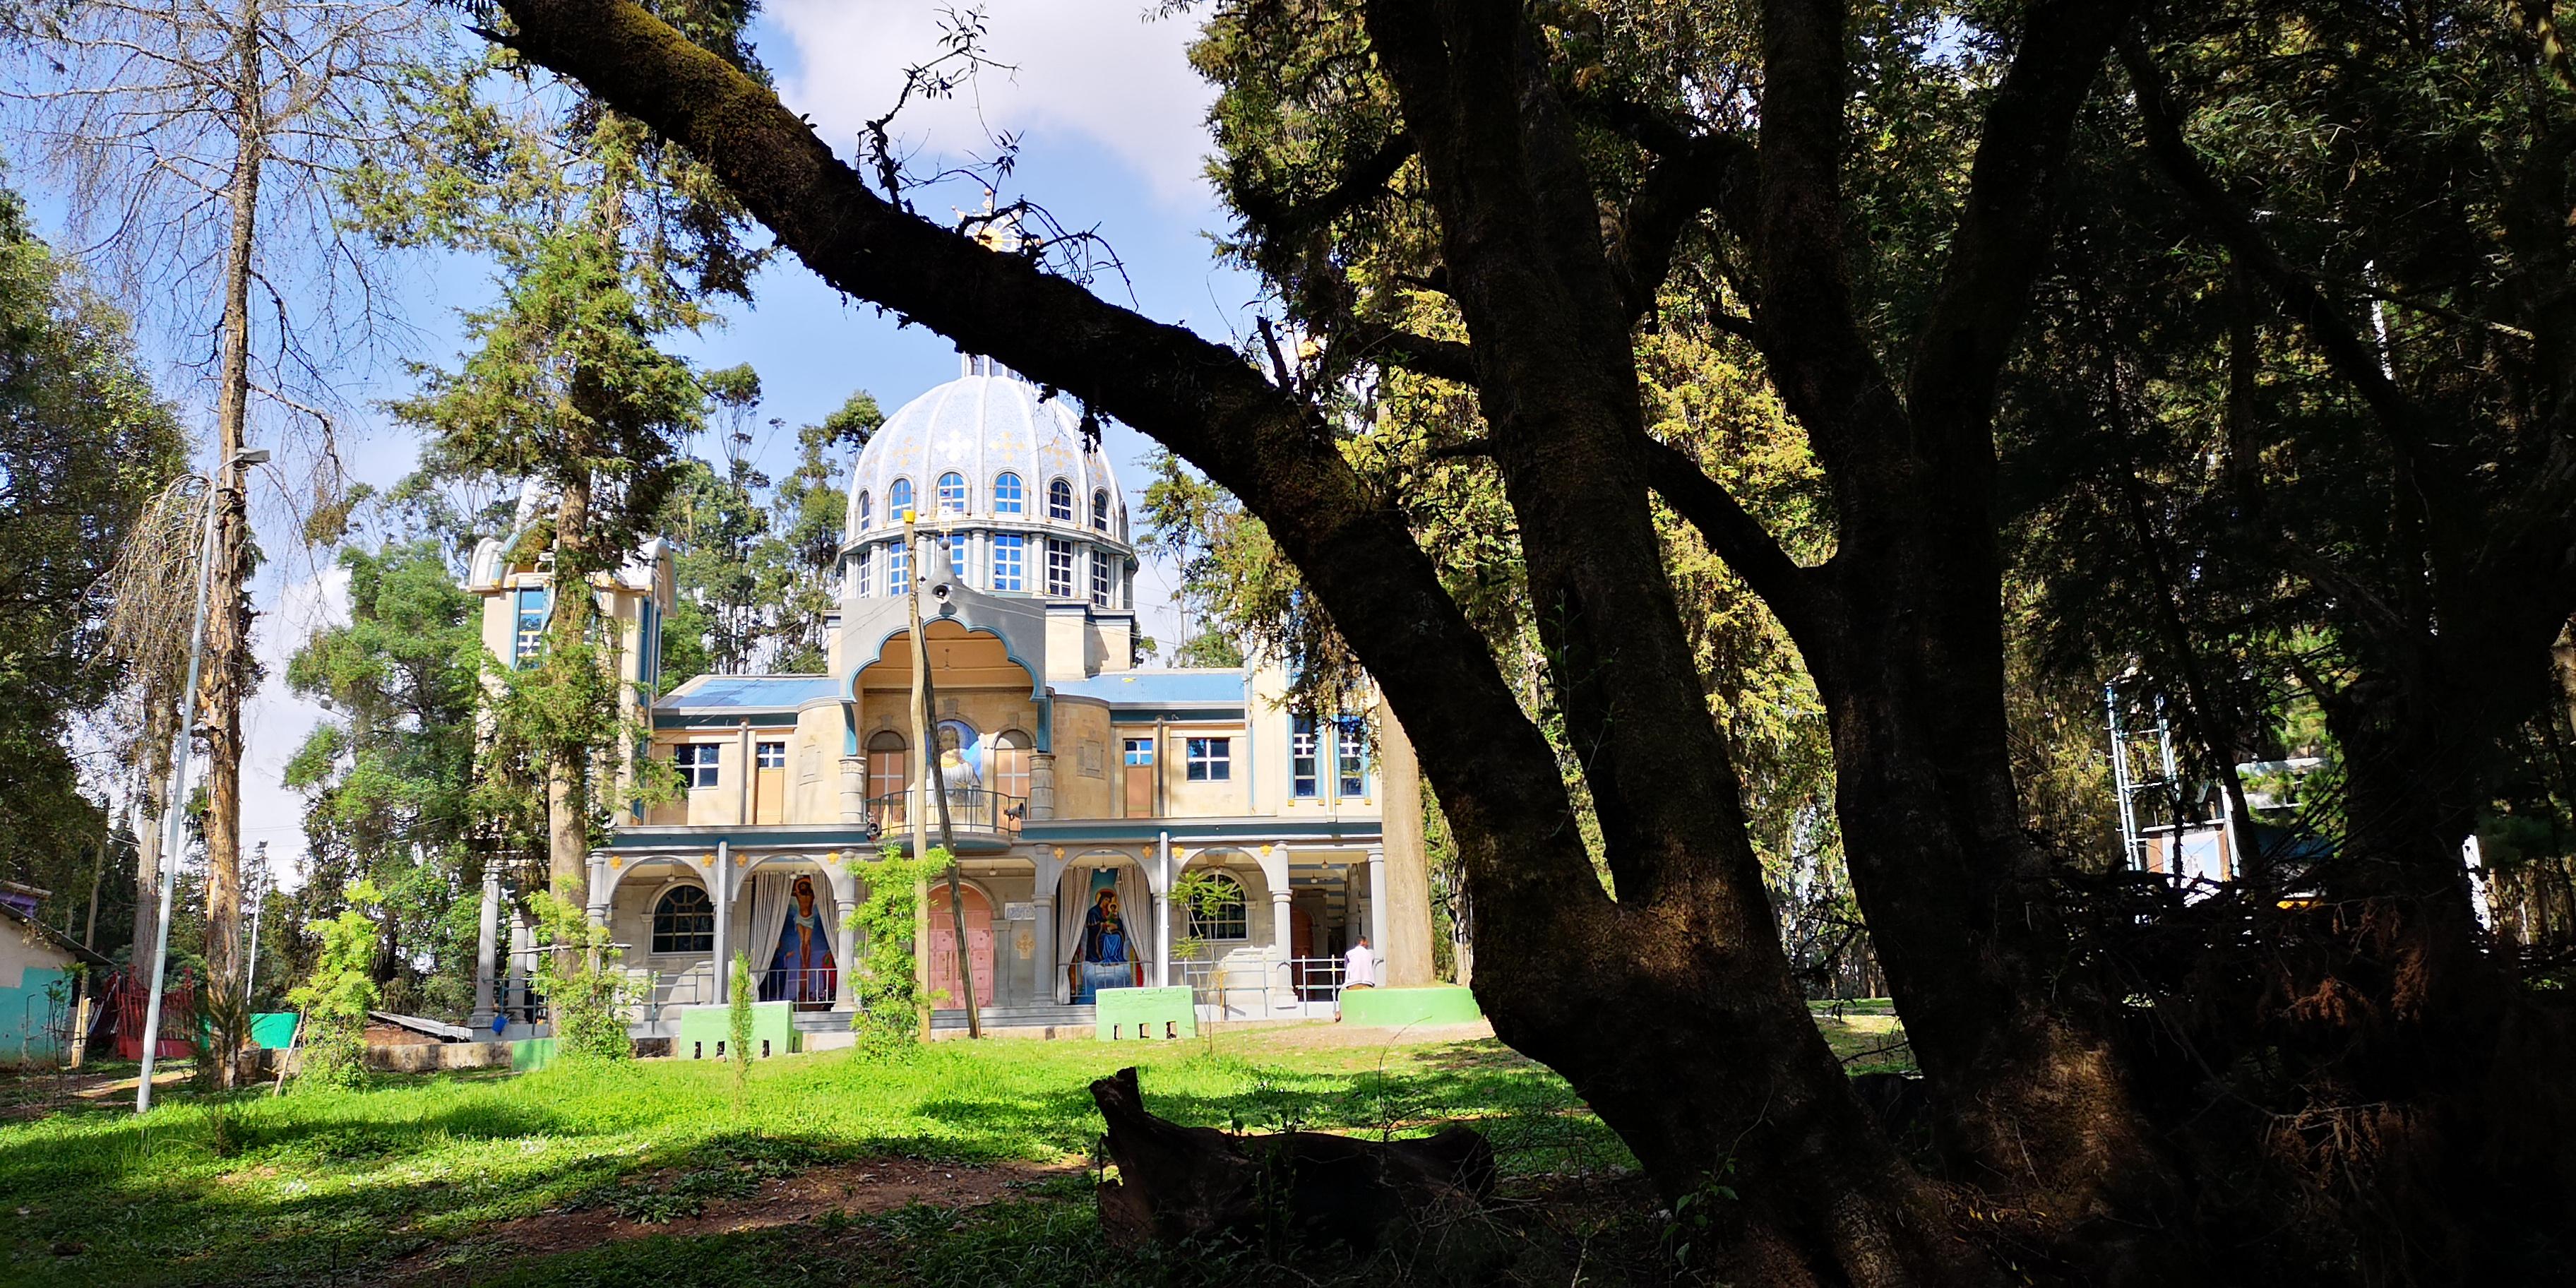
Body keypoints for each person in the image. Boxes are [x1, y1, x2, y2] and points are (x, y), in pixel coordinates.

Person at [762, 874, 837, 1008]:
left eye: (804, 886)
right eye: (801, 886)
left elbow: (810, 885)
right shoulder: (798, 895)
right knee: (803, 942)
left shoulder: (812, 896)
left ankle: (806, 957)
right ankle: (804, 957)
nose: (802, 887)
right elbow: (793, 889)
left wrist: (809, 879)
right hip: (800, 919)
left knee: (807, 943)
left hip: (809, 919)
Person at [1337, 934, 1376, 1022]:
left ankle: (1339, 1013)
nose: (1368, 943)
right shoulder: (1370, 954)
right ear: (1362, 942)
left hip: (1353, 982)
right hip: (1368, 982)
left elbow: (1346, 967)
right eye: (1366, 942)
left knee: (1340, 994)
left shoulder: (1349, 954)